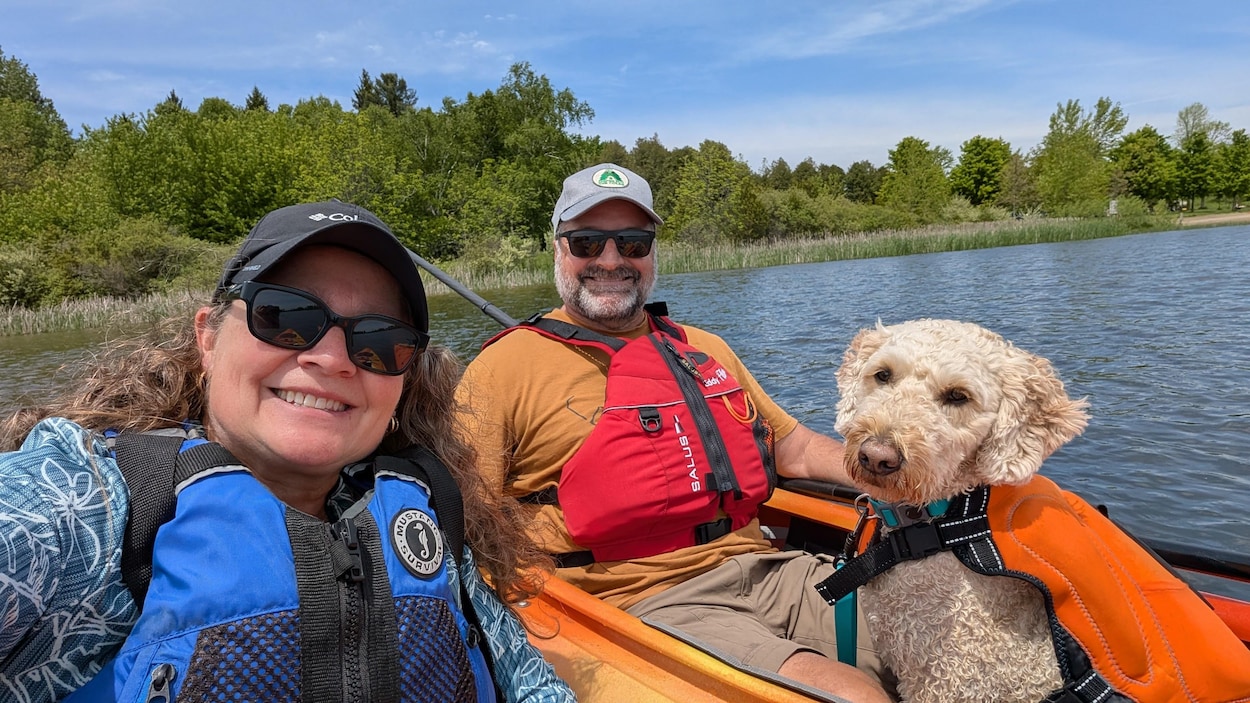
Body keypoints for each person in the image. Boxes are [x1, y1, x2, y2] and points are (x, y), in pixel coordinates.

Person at [0, 200, 574, 703]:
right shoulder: (87, 506)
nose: (334, 359)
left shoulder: (425, 511)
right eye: (285, 317)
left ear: (404, 378)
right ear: (207, 337)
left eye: (378, 340)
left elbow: (528, 683)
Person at [456, 164, 896, 702]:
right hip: (643, 601)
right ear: (558, 251)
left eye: (634, 243)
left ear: (652, 253)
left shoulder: (702, 346)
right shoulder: (503, 368)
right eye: (588, 242)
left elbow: (794, 447)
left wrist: (897, 471)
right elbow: (466, 518)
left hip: (773, 568)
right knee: (852, 695)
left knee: (949, 642)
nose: (612, 260)